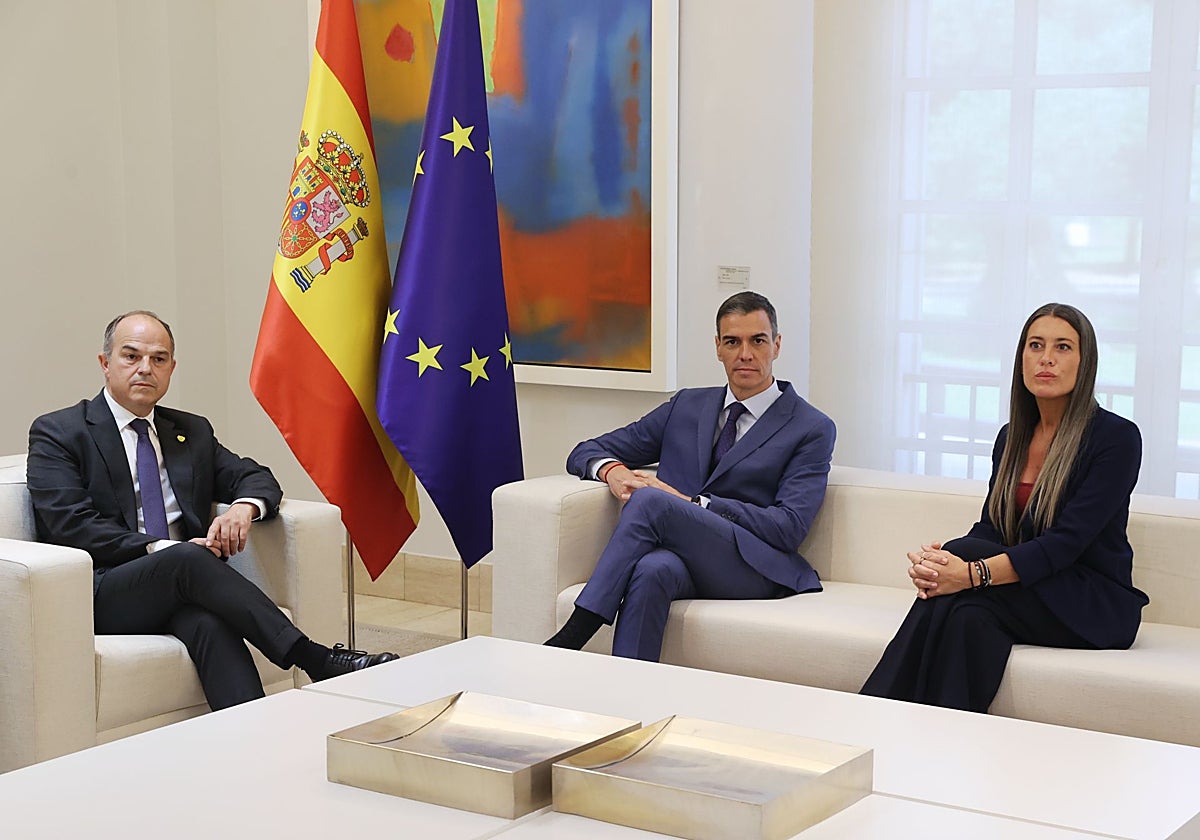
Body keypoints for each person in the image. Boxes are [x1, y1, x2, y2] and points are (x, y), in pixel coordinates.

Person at [26, 310, 398, 711]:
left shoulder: (190, 431)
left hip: (179, 586)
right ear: (105, 364)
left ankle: (251, 736)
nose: (145, 369)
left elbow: (256, 476)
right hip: (102, 589)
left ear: (171, 368)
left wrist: (243, 508)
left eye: (158, 359)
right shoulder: (60, 432)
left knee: (209, 623)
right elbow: (69, 524)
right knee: (186, 555)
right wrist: (159, 549)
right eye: (130, 357)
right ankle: (315, 658)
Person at [860, 303, 1148, 712]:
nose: (1046, 358)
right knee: (968, 618)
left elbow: (1066, 544)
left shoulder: (1116, 438)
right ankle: (937, 740)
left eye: (1063, 347)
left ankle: (872, 714)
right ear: (1022, 359)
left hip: (1093, 603)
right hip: (1030, 591)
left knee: (963, 564)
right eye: (1035, 345)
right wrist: (939, 564)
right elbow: (992, 530)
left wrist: (970, 571)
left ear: (1086, 363)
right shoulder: (1012, 436)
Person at [545, 291, 836, 661]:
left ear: (776, 345)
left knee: (652, 499)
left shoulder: (811, 427)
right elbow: (585, 450)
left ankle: (575, 632)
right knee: (652, 569)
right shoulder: (687, 405)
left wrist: (694, 504)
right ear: (718, 347)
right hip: (683, 558)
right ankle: (627, 697)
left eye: (757, 341)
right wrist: (612, 470)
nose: (745, 353)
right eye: (733, 342)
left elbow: (789, 526)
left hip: (751, 566)